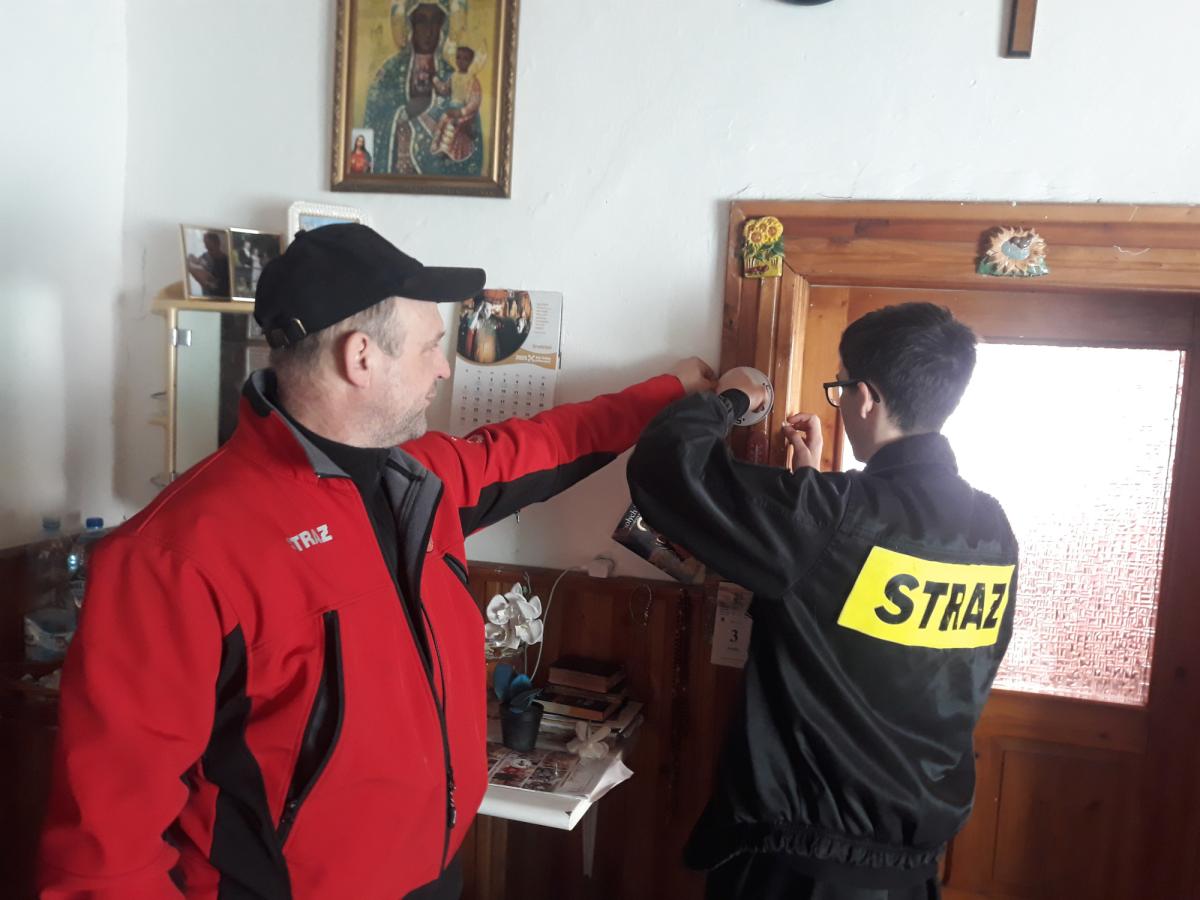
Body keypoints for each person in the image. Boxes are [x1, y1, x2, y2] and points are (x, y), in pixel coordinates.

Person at [39, 223, 715, 899]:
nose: (443, 368)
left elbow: (552, 443)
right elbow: (104, 857)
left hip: (433, 879)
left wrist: (673, 393)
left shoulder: (421, 481)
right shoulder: (171, 557)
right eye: (429, 347)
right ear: (360, 357)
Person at [627, 302, 1019, 900]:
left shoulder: (831, 518)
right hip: (910, 870)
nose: (839, 403)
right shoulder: (992, 529)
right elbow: (889, 638)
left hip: (801, 869)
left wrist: (730, 399)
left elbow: (666, 465)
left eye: (840, 389)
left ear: (866, 398)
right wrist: (811, 482)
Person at [431, 43, 485, 163]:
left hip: (465, 113)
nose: (461, 61)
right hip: (451, 109)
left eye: (465, 59)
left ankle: (454, 153)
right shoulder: (453, 76)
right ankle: (442, 150)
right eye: (458, 57)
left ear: (471, 61)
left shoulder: (472, 80)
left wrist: (461, 112)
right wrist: (436, 81)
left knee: (453, 125)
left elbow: (475, 102)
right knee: (443, 120)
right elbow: (445, 90)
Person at [185, 230, 230, 297]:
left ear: (217, 243)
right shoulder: (204, 256)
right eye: (205, 244)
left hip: (221, 297)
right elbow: (194, 262)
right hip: (206, 296)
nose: (206, 247)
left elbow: (219, 284)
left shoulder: (226, 261)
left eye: (209, 245)